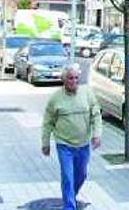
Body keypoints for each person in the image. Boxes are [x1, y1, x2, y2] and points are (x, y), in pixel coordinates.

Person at [42, 64, 102, 210]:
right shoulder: (55, 98)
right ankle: (69, 206)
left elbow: (96, 115)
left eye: (76, 78)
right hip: (64, 145)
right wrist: (45, 143)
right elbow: (47, 122)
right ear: (64, 79)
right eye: (70, 78)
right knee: (68, 177)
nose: (74, 81)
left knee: (81, 175)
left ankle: (70, 196)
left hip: (83, 145)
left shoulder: (87, 93)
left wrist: (97, 134)